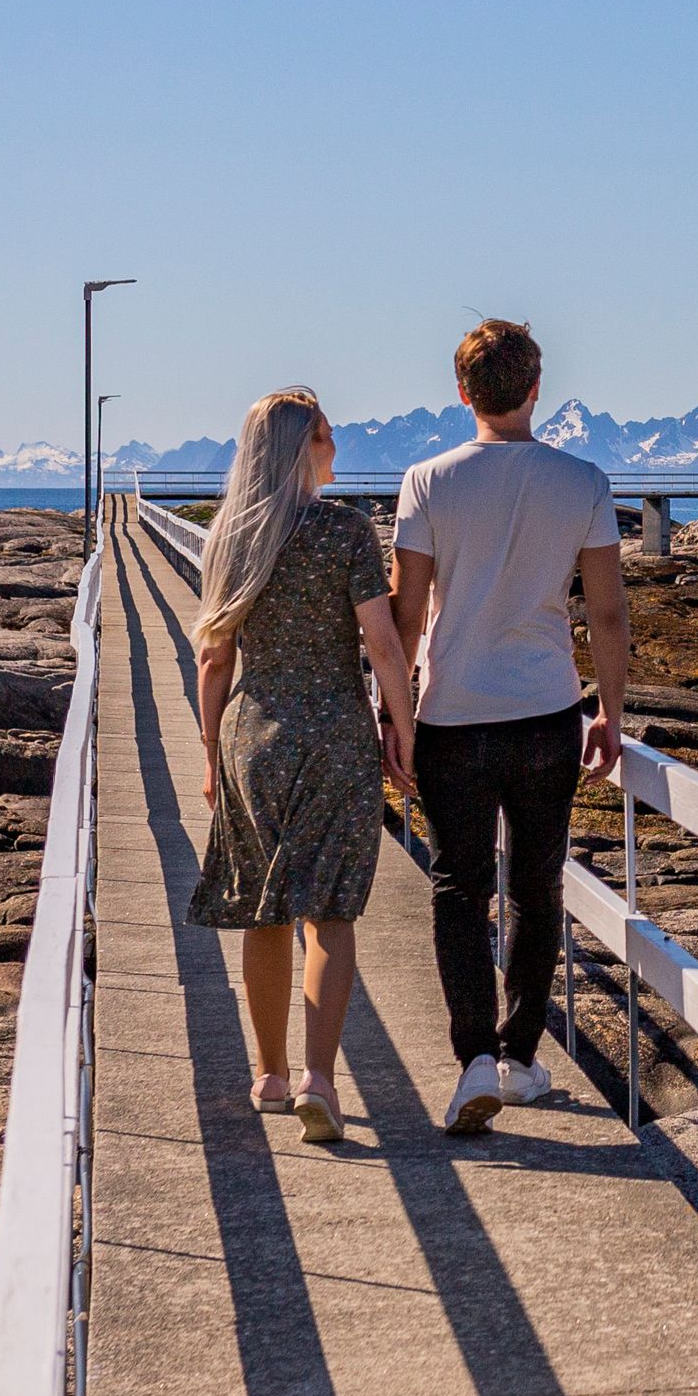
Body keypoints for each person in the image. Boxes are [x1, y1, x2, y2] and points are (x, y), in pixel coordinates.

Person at [390, 317, 629, 1136]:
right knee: (536, 884)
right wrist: (611, 712)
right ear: (535, 389)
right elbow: (606, 613)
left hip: (451, 713)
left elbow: (406, 611)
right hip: (546, 712)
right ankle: (521, 1059)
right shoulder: (582, 480)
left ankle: (474, 1062)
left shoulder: (426, 481)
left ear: (462, 393)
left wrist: (394, 715)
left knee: (458, 887)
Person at [189, 389, 419, 1145]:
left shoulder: (229, 537)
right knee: (330, 911)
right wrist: (403, 727)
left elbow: (215, 658)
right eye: (326, 435)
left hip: (253, 737)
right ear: (300, 449)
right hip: (336, 739)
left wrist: (211, 752)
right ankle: (320, 1079)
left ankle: (270, 1074)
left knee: (263, 909)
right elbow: (382, 644)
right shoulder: (346, 530)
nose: (335, 447)